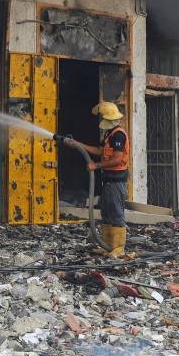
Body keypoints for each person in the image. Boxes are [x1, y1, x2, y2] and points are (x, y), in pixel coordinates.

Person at [64, 102, 129, 257]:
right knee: (107, 212)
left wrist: (96, 165)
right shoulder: (110, 134)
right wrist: (78, 144)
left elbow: (117, 159)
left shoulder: (118, 135)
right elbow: (100, 150)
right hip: (107, 180)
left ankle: (118, 248)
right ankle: (108, 246)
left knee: (116, 212)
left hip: (116, 181)